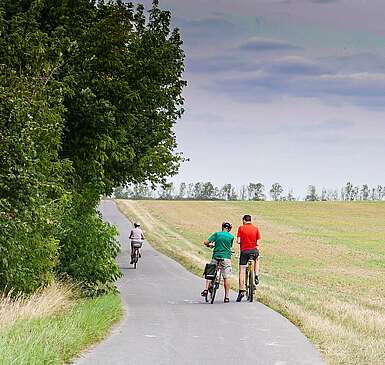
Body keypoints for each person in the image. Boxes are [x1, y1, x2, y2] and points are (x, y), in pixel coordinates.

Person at [201, 222, 234, 303]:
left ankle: (206, 289)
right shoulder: (231, 237)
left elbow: (206, 242)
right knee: (226, 277)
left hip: (216, 256)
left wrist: (209, 245)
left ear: (222, 227)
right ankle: (226, 297)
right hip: (226, 257)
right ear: (229, 229)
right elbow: (229, 247)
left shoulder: (217, 234)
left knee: (210, 271)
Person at [236, 214, 261, 302]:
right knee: (257, 259)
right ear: (250, 220)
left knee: (242, 270)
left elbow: (238, 241)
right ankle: (256, 275)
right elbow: (257, 243)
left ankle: (242, 291)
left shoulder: (241, 228)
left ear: (244, 220)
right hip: (254, 251)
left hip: (244, 251)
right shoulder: (256, 228)